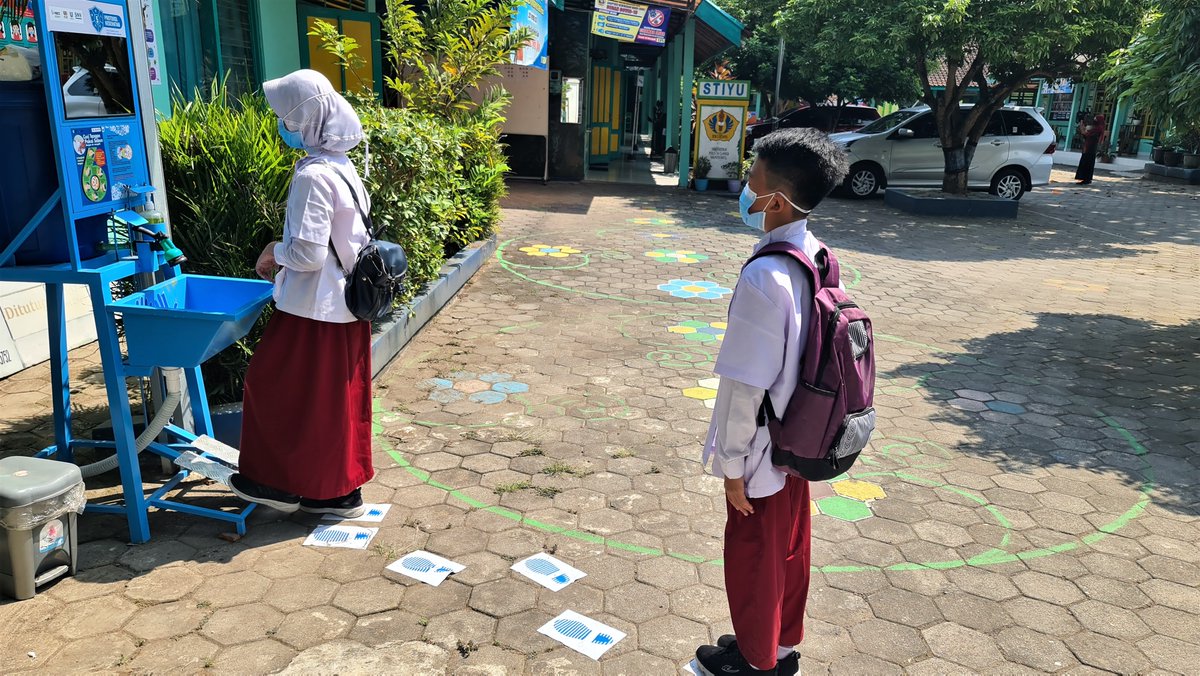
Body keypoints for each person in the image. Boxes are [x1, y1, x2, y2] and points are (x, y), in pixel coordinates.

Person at [693, 128, 849, 676]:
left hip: (761, 450)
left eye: (751, 180)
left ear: (776, 202)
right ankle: (777, 645)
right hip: (802, 434)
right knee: (788, 551)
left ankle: (758, 664)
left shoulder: (764, 277)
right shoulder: (816, 254)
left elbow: (743, 387)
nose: (744, 189)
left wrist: (731, 468)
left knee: (755, 556)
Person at [229, 70, 374, 519]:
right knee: (333, 403)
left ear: (304, 118)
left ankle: (277, 483)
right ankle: (334, 492)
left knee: (271, 385)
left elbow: (308, 255)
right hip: (345, 306)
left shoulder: (313, 175)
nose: (281, 126)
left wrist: (274, 250)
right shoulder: (343, 166)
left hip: (313, 308)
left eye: (282, 118)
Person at [1075, 113, 1106, 184]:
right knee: (1087, 163)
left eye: (1096, 119)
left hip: (1090, 148)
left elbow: (1087, 135)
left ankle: (1086, 179)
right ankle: (1085, 179)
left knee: (1087, 163)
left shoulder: (1098, 129)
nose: (1094, 120)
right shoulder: (1096, 128)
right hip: (1090, 148)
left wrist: (1082, 128)